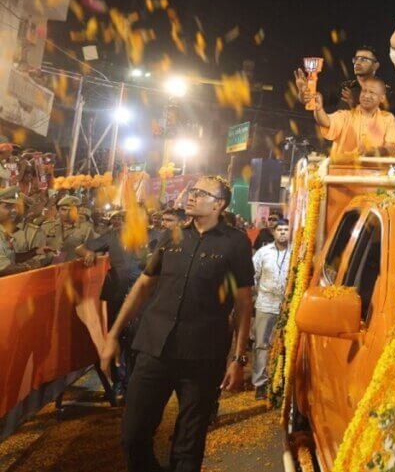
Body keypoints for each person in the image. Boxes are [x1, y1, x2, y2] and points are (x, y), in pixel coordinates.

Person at [100, 176, 255, 472]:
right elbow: (143, 287)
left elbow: (243, 303)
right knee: (132, 437)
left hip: (202, 356)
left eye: (200, 192)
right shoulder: (170, 236)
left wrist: (238, 358)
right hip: (154, 348)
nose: (191, 196)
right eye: (192, 191)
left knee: (188, 446)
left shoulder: (235, 243)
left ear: (218, 204)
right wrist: (113, 334)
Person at [77, 209, 147, 396]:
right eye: (118, 219)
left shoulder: (151, 237)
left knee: (136, 340)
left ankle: (134, 382)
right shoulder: (112, 237)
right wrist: (88, 253)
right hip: (116, 294)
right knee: (116, 337)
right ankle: (119, 382)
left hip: (141, 296)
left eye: (124, 219)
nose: (120, 223)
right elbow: (81, 248)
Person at [301, 75, 395, 159]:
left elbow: (392, 147)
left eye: (372, 92)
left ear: (382, 98)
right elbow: (326, 122)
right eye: (364, 91)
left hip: (375, 177)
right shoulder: (346, 116)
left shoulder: (388, 119)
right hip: (342, 175)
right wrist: (318, 108)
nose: (366, 95)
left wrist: (373, 152)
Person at [250, 220, 290, 400]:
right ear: (273, 233)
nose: (283, 233)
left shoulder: (298, 253)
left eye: (286, 230)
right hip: (265, 304)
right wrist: (256, 295)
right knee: (261, 344)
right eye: (279, 230)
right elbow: (253, 275)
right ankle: (260, 382)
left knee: (285, 345)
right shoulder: (263, 253)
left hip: (287, 307)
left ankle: (280, 383)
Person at [0, 187, 43, 276]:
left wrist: (34, 252)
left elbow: (11, 257)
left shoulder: (4, 231)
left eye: (14, 206)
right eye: (8, 206)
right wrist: (27, 267)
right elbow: (3, 269)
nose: (14, 210)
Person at [40, 195, 95, 259]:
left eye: (71, 210)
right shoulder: (46, 226)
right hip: (49, 266)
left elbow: (90, 251)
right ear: (58, 211)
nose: (67, 213)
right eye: (63, 209)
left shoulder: (86, 229)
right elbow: (38, 250)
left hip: (72, 267)